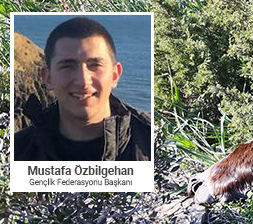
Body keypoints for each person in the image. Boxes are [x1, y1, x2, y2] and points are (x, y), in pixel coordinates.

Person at [14, 17, 151, 161]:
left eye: (95, 65)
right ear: (47, 78)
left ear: (115, 75)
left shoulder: (152, 141)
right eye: (67, 66)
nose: (83, 80)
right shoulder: (17, 153)